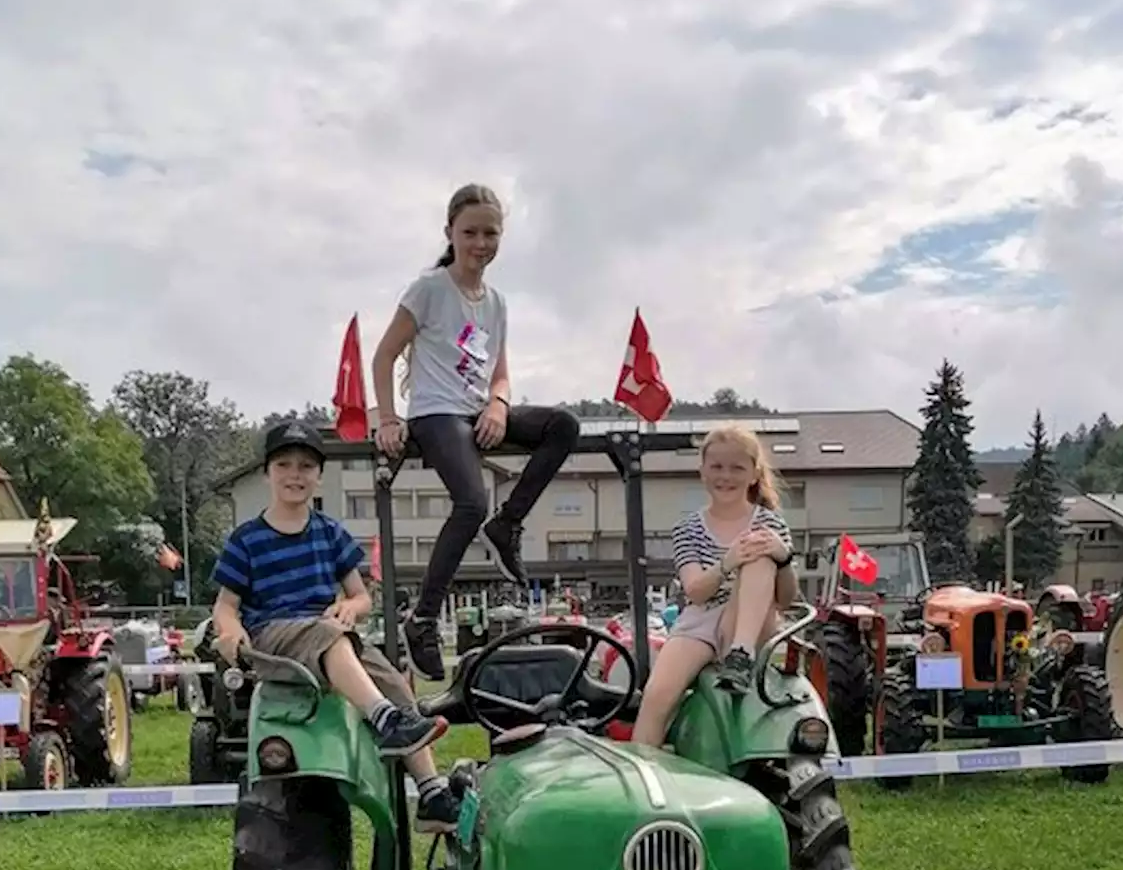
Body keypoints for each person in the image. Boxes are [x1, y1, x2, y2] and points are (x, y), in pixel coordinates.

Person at [370, 182, 581, 681]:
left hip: (477, 409)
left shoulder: (496, 302)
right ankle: (422, 617)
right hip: (436, 411)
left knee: (563, 426)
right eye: (470, 232)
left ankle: (508, 523)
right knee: (469, 501)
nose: (481, 243)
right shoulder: (429, 289)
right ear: (450, 233)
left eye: (490, 233)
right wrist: (386, 416)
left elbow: (500, 371)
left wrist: (499, 404)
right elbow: (383, 354)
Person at [210, 418, 461, 833]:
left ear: (319, 477)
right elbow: (226, 605)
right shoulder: (246, 539)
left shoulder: (329, 533)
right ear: (268, 472)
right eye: (285, 465)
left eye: (306, 466)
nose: (295, 475)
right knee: (331, 637)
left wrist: (351, 607)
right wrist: (230, 630)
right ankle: (382, 719)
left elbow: (360, 595)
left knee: (392, 679)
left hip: (329, 632)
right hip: (274, 637)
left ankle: (431, 791)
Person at [631, 424, 797, 747]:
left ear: (753, 474)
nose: (726, 476)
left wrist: (784, 558)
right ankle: (643, 768)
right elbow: (694, 590)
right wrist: (728, 561)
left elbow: (787, 599)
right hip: (701, 620)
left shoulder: (769, 523)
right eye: (717, 467)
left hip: (749, 620)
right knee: (656, 697)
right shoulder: (688, 528)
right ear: (703, 472)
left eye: (737, 468)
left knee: (761, 554)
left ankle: (740, 654)